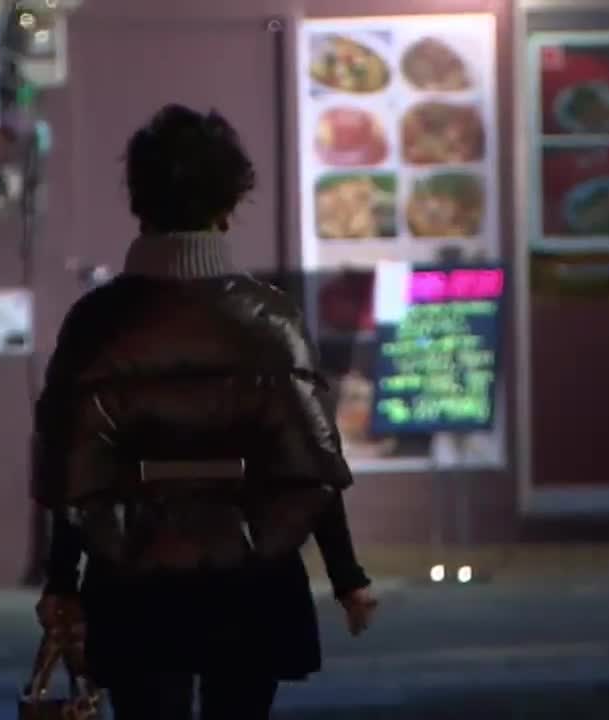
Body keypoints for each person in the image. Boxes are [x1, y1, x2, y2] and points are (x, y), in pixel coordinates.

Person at [31, 104, 377, 720]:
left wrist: (62, 580)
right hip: (252, 578)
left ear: (140, 204)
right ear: (228, 205)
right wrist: (346, 574)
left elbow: (74, 468)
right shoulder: (270, 321)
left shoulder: (97, 323)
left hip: (132, 580)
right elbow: (312, 460)